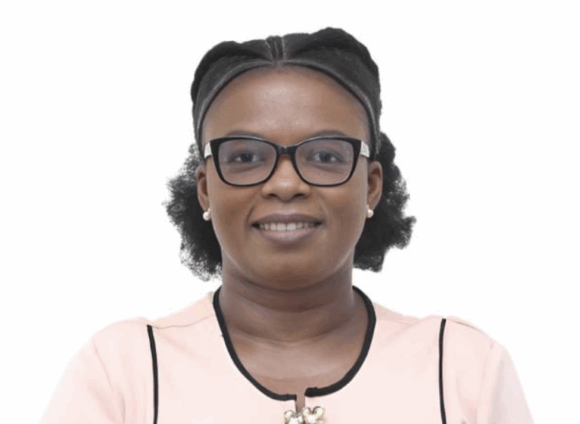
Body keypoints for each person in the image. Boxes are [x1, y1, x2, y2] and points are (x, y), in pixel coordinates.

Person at [38, 27, 535, 424]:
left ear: (371, 185)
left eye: (324, 155)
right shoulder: (121, 372)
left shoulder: (464, 369)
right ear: (206, 187)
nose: (285, 184)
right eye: (246, 157)